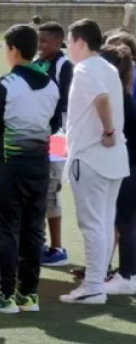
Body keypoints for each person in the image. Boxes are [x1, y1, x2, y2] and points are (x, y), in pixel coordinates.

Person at [0, 24, 59, 313]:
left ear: (13, 51)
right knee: (34, 230)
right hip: (40, 164)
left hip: (9, 165)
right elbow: (55, 123)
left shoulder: (6, 84)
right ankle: (28, 294)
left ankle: (3, 294)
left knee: (6, 230)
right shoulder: (50, 84)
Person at [61, 19, 130, 304]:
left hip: (91, 155)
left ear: (80, 41)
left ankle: (92, 286)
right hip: (112, 159)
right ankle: (96, 283)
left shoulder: (86, 69)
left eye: (69, 40)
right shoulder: (109, 68)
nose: (68, 47)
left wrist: (109, 131)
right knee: (102, 223)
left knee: (92, 224)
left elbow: (101, 99)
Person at [96, 45, 136, 296]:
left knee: (124, 220)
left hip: (128, 165)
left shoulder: (119, 97)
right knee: (124, 220)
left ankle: (127, 275)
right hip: (126, 163)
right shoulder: (122, 94)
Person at [36, 21, 74, 264]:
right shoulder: (38, 63)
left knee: (50, 194)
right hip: (37, 136)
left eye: (44, 41)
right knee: (37, 192)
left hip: (55, 138)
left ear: (59, 42)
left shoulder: (64, 65)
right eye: (38, 40)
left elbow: (65, 101)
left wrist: (55, 129)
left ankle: (57, 248)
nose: (40, 45)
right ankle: (37, 243)